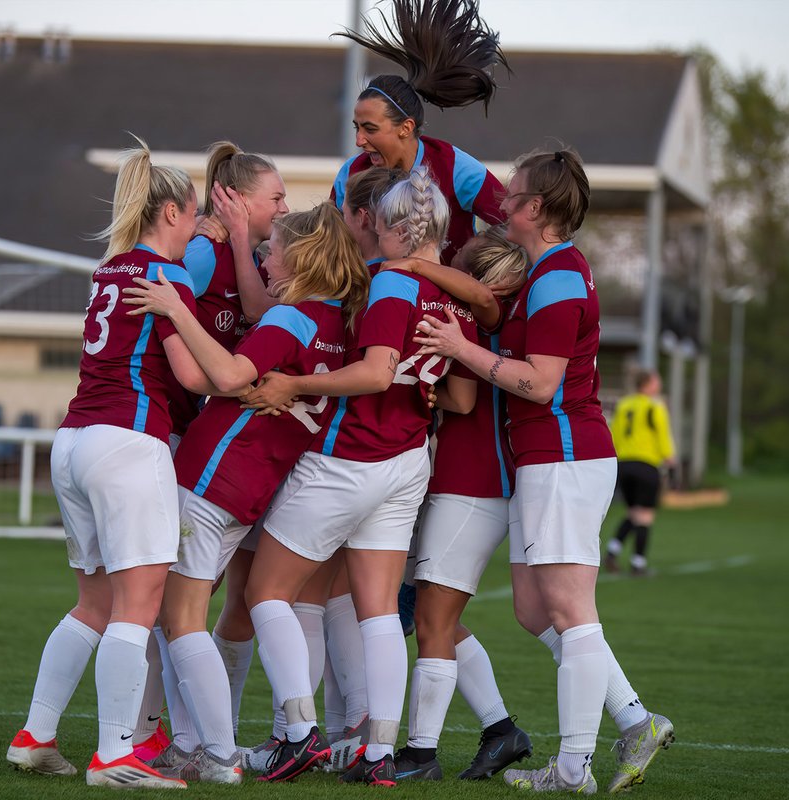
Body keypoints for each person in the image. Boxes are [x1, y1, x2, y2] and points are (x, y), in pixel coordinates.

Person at [412, 149, 674, 793]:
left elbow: (539, 382)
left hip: (564, 455)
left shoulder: (557, 274)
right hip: (546, 460)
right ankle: (635, 720)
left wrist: (459, 348)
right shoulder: (548, 271)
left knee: (569, 609)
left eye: (514, 192)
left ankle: (574, 767)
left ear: (536, 207)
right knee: (534, 610)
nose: (501, 200)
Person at [239, 167, 477, 786]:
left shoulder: (391, 285)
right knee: (376, 612)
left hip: (351, 456)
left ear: (392, 225)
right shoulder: (449, 296)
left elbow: (373, 374)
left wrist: (295, 382)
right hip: (406, 461)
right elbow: (462, 399)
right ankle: (379, 753)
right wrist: (419, 381)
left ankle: (297, 733)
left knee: (266, 593)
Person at [123, 202, 370, 784]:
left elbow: (232, 377)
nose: (265, 257)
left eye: (273, 248)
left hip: (212, 474)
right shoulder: (335, 325)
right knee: (186, 615)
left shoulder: (292, 319)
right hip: (250, 485)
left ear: (303, 256)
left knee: (178, 618)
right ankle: (197, 744)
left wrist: (176, 309)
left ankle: (215, 752)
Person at [5, 139, 203, 790]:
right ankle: (116, 755)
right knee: (138, 604)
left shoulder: (109, 271)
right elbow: (193, 375)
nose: (198, 227)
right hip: (128, 440)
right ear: (169, 211)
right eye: (194, 214)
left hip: (76, 440)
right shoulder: (162, 278)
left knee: (93, 601)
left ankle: (36, 735)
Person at [379, 225, 534, 781]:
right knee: (435, 615)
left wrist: (410, 266)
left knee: (432, 619)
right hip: (470, 480)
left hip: (475, 482)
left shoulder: (482, 315)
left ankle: (421, 754)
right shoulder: (485, 317)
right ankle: (499, 730)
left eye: (460, 267)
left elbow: (464, 399)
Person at [332, 0, 507, 263]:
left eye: (370, 129)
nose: (359, 140)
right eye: (357, 128)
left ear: (406, 127)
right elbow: (328, 243)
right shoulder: (351, 173)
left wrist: (469, 257)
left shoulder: (455, 167)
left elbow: (515, 225)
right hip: (374, 299)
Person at [605, 369, 676, 576]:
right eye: (657, 380)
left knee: (634, 512)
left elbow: (614, 434)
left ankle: (612, 551)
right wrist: (670, 460)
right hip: (646, 464)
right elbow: (663, 435)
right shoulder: (655, 405)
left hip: (624, 464)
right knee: (645, 516)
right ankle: (638, 563)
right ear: (649, 384)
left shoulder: (625, 404)